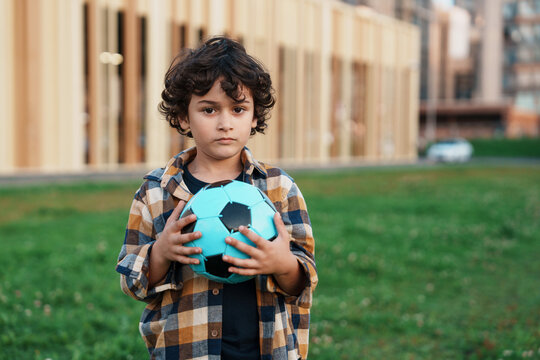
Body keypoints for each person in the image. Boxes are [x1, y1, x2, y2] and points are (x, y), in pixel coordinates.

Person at [116, 36, 317, 360]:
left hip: (266, 350)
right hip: (186, 350)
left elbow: (303, 281)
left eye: (238, 109)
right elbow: (133, 283)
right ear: (183, 117)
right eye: (209, 110)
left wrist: (282, 264)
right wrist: (161, 252)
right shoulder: (156, 193)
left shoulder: (279, 189)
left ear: (254, 117)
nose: (225, 123)